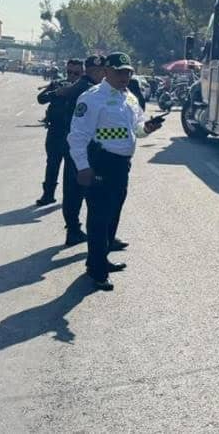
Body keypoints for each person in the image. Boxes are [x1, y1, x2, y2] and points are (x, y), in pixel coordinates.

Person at [68, 53, 162, 291]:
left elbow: (136, 130)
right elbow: (78, 136)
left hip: (122, 165)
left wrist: (147, 128)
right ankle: (97, 271)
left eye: (128, 72)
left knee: (113, 214)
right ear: (106, 72)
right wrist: (83, 166)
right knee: (99, 217)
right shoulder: (92, 98)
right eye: (120, 72)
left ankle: (100, 258)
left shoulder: (129, 98)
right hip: (100, 163)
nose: (125, 76)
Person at [51, 55, 106, 246]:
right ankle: (78, 231)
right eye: (97, 70)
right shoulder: (87, 88)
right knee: (80, 191)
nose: (101, 73)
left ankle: (75, 230)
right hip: (82, 146)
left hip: (77, 144)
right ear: (89, 70)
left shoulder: (82, 87)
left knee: (74, 190)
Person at [34, 59, 84, 207]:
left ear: (82, 73)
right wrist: (57, 93)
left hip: (74, 134)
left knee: (71, 168)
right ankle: (48, 194)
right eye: (69, 72)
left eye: (76, 73)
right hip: (55, 131)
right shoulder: (58, 84)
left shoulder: (85, 89)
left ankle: (69, 198)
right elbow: (41, 99)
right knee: (52, 164)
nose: (72, 76)